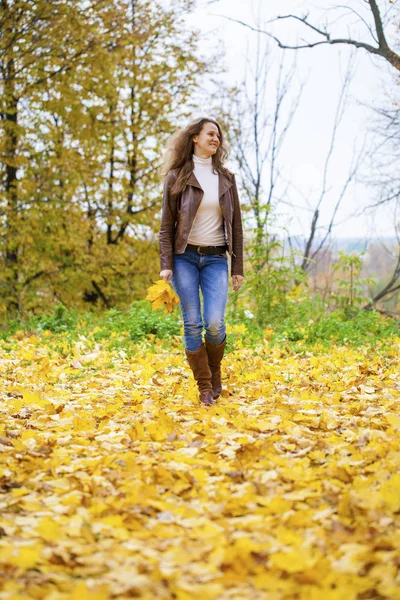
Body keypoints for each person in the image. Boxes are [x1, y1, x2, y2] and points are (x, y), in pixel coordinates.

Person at [159, 117, 244, 406]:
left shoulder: (227, 179)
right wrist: (166, 263)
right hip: (184, 259)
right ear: (194, 137)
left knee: (215, 323)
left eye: (218, 136)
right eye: (210, 134)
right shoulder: (177, 177)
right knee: (192, 323)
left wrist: (238, 268)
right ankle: (205, 385)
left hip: (216, 259)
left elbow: (237, 227)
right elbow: (166, 226)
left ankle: (214, 369)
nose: (215, 139)